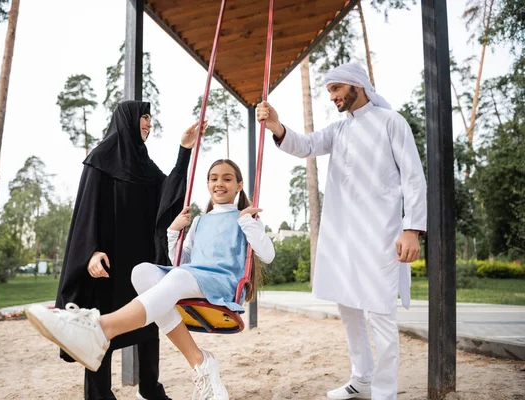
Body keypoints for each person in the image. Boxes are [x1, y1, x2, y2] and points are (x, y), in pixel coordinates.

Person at [28, 159, 275, 400]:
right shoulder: (199, 221)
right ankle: (199, 361)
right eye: (214, 178)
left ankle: (101, 328)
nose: (219, 183)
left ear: (239, 185)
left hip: (223, 283)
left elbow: (268, 254)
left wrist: (247, 222)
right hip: (196, 278)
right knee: (142, 271)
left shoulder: (245, 218)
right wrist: (173, 232)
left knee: (177, 277)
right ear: (207, 184)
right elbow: (181, 261)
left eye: (227, 178)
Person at [257, 62, 427, 400]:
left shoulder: (392, 123)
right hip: (343, 237)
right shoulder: (338, 131)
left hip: (382, 236)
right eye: (329, 91)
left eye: (336, 89)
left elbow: (413, 178)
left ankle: (385, 392)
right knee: (348, 308)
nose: (332, 97)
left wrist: (412, 229)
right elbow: (304, 145)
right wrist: (276, 126)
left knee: (379, 312)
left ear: (356, 85)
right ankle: (361, 380)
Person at [53, 100, 203, 400]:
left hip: (140, 259)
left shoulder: (144, 164)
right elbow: (86, 212)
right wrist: (91, 252)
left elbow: (168, 193)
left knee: (150, 320)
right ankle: (99, 395)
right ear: (127, 120)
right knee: (103, 325)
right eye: (143, 117)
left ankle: (150, 388)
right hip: (108, 261)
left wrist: (184, 150)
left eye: (150, 118)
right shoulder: (100, 158)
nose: (148, 123)